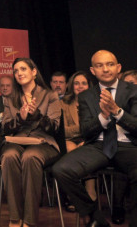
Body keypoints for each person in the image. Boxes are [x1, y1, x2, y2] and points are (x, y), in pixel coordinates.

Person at [53, 50, 137, 227]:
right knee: (62, 169)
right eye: (99, 65)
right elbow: (86, 131)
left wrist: (117, 112)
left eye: (110, 64)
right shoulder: (86, 96)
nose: (105, 69)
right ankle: (94, 217)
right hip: (98, 146)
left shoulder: (133, 91)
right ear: (93, 70)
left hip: (129, 146)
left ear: (118, 68)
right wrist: (103, 118)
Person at [0, 57, 62, 227]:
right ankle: (15, 218)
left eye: (23, 69)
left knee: (30, 157)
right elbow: (5, 129)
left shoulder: (50, 95)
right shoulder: (10, 98)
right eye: (16, 70)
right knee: (9, 155)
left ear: (34, 72)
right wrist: (20, 117)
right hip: (17, 141)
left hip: (43, 143)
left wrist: (36, 116)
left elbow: (54, 128)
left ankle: (29, 220)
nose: (19, 73)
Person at [60, 70, 96, 210]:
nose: (80, 86)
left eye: (83, 83)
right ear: (71, 86)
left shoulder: (96, 102)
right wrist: (83, 127)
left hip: (89, 140)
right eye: (76, 83)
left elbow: (98, 127)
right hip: (68, 140)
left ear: (89, 86)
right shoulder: (63, 103)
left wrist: (84, 133)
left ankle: (90, 191)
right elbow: (63, 130)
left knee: (86, 149)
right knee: (71, 150)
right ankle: (74, 194)